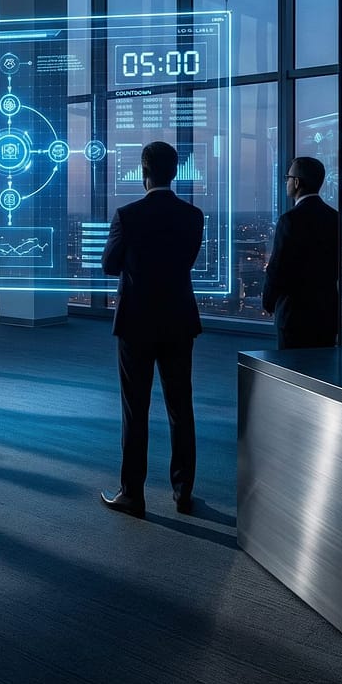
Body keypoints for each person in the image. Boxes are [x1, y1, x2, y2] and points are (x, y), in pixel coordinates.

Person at [100, 141, 205, 519]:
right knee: (181, 408)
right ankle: (183, 492)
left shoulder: (127, 215)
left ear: (143, 171)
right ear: (174, 172)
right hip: (178, 320)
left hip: (136, 323)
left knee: (136, 409)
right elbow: (186, 263)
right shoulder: (194, 216)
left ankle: (133, 494)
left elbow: (110, 265)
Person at [263, 156, 342, 349]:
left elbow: (278, 268)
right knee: (324, 374)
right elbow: (339, 267)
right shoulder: (338, 219)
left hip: (295, 316)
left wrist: (269, 302)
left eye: (288, 177)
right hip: (328, 313)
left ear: (297, 182)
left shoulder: (290, 220)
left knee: (293, 372)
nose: (286, 182)